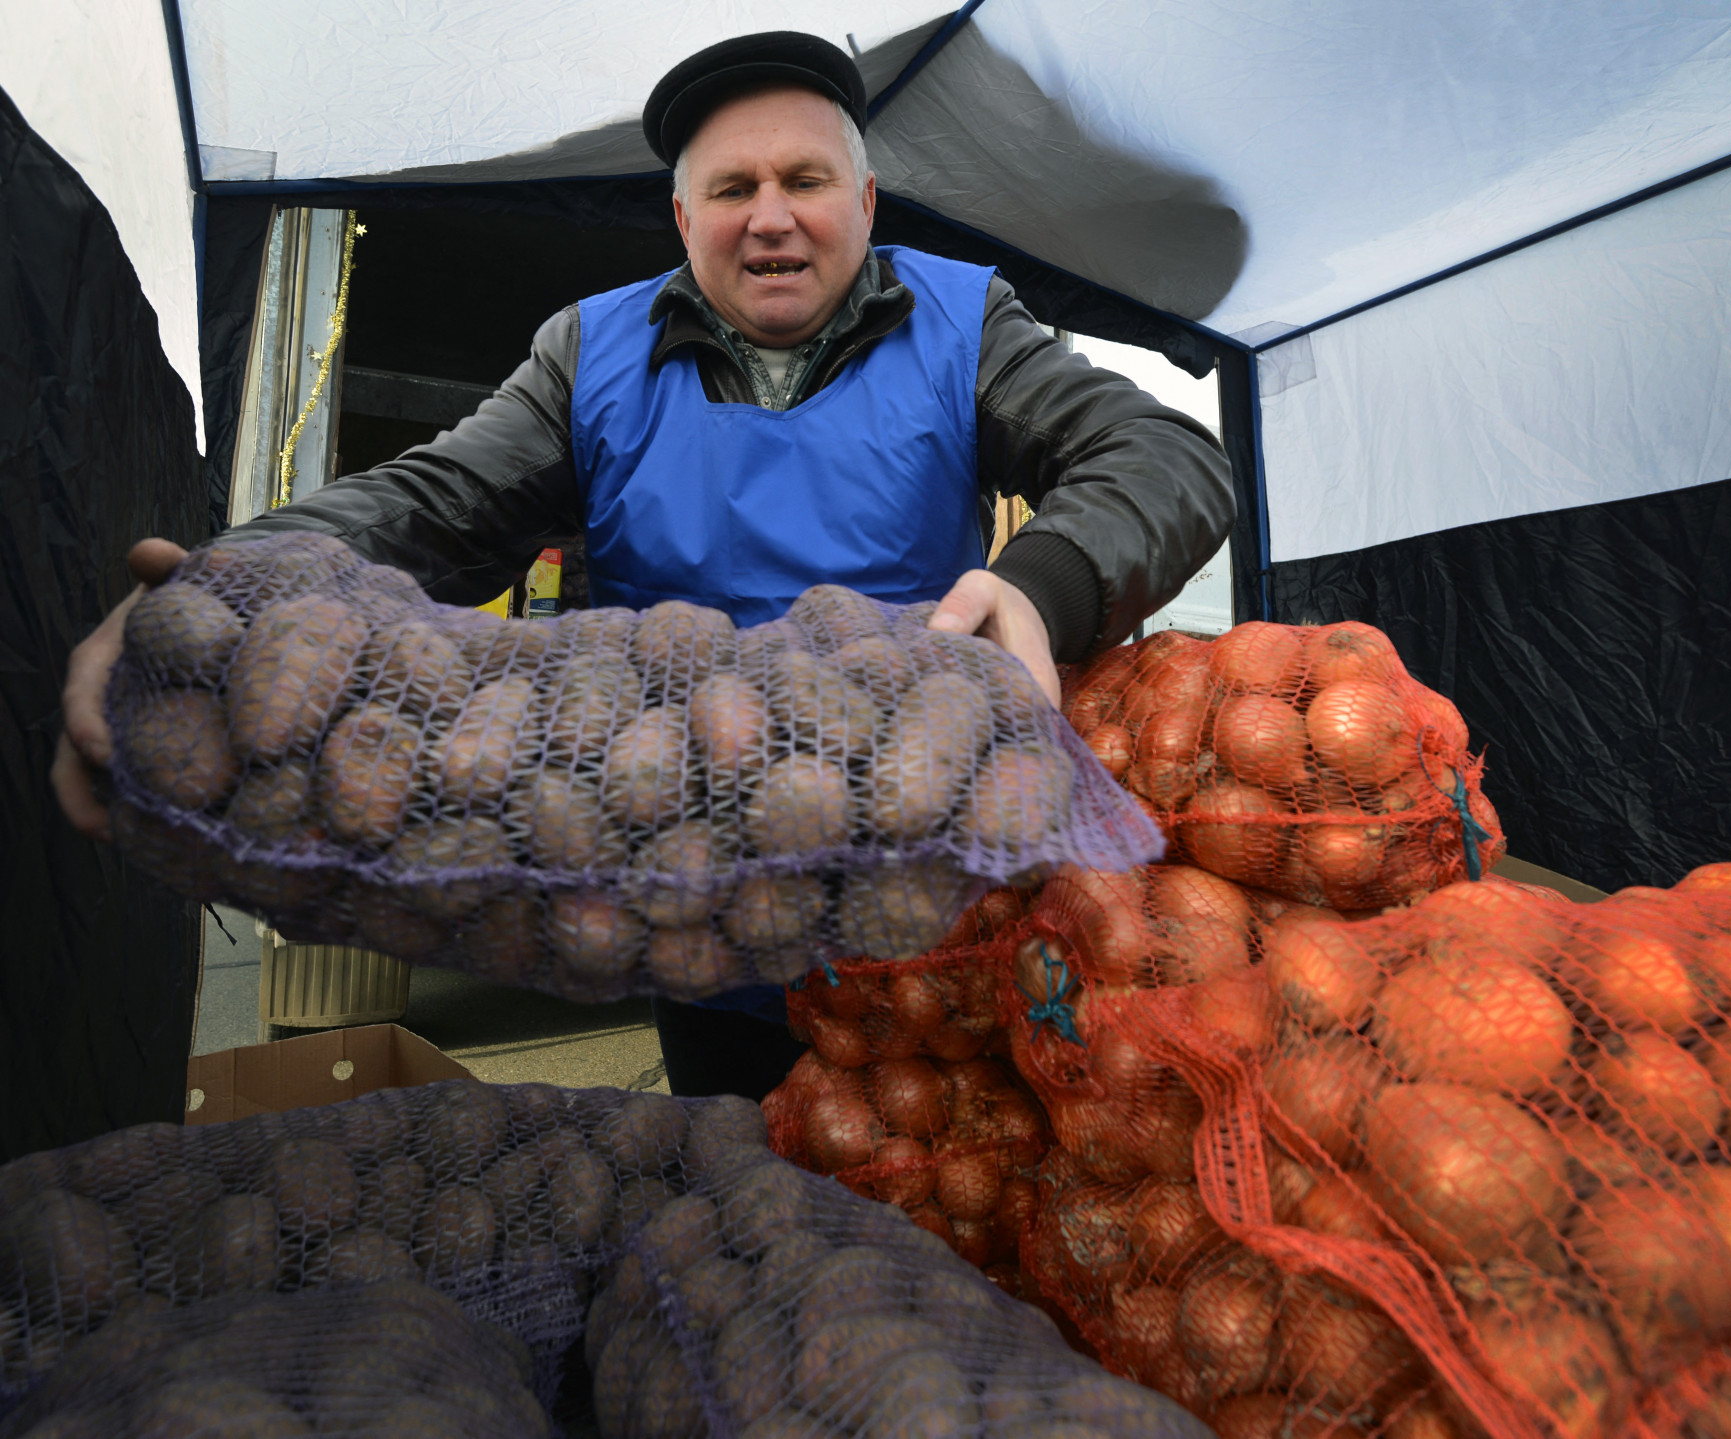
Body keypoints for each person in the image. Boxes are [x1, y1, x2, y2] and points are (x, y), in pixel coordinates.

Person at [52, 31, 1234, 1099]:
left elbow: (1164, 455)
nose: (770, 215)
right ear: (683, 220)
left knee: (927, 1194)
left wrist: (1041, 583)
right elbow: (437, 503)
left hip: (920, 910)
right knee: (739, 1201)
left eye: (805, 181)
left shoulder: (966, 322)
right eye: (732, 188)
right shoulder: (589, 351)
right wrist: (234, 579)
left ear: (865, 202)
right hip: (696, 901)